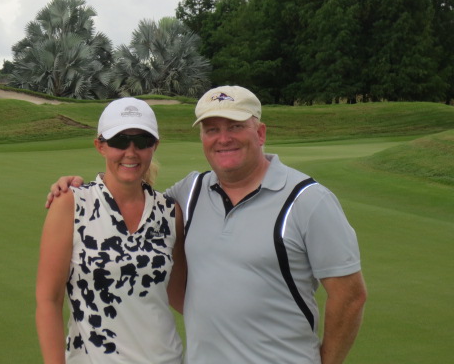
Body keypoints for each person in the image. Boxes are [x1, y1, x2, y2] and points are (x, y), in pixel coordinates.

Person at [47, 86, 367, 364]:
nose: (223, 138)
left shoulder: (309, 201)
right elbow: (131, 201)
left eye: (235, 126)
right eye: (212, 129)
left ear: (260, 133)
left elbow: (351, 296)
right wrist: (77, 188)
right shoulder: (190, 193)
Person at [36, 97, 186, 364]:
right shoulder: (71, 204)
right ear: (100, 146)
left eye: (142, 141)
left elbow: (178, 294)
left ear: (155, 146)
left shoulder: (169, 212)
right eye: (119, 141)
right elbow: (49, 300)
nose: (131, 152)